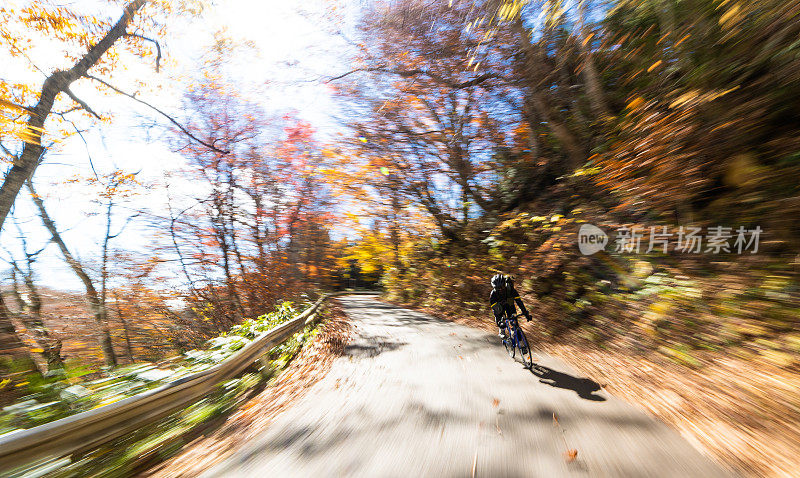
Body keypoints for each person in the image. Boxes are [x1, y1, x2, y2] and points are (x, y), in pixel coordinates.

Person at [490, 273, 531, 340]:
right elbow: (495, 310)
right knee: (501, 318)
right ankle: (502, 331)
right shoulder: (493, 294)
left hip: (510, 306)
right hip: (500, 308)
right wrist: (499, 323)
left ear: (505, 284)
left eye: (502, 287)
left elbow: (519, 302)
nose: (500, 290)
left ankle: (520, 342)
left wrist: (526, 313)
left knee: (514, 323)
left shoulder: (511, 290)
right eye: (498, 289)